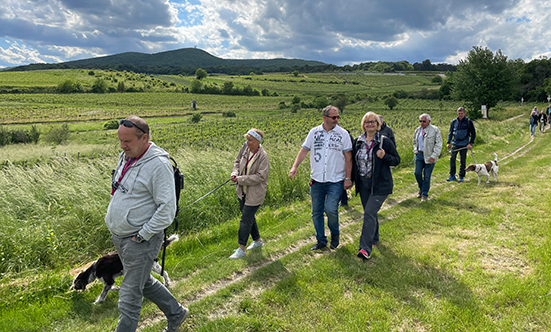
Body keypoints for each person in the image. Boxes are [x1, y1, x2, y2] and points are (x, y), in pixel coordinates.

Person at [105, 116, 189, 332]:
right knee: (143, 282)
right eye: (120, 141)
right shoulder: (127, 156)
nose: (122, 147)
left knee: (129, 296)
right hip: (121, 237)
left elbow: (167, 210)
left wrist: (142, 235)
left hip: (141, 240)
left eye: (127, 142)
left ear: (145, 138)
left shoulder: (158, 165)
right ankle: (177, 313)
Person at [289, 105, 353, 251]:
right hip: (317, 179)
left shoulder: (343, 134)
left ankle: (335, 234)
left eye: (338, 117)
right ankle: (321, 240)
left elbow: (348, 157)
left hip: (335, 180)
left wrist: (348, 178)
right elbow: (304, 150)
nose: (336, 120)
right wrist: (295, 167)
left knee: (331, 209)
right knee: (316, 211)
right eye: (333, 117)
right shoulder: (314, 132)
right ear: (325, 118)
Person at [352, 112, 400, 260]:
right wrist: (350, 180)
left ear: (378, 124)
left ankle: (365, 249)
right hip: (364, 183)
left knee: (369, 213)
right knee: (370, 212)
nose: (370, 124)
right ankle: (375, 238)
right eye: (367, 122)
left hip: (380, 185)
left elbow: (396, 160)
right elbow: (354, 163)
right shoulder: (358, 141)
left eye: (373, 122)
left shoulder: (384, 141)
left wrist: (384, 156)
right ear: (363, 125)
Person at [229, 129, 269, 259]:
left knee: (245, 219)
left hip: (255, 193)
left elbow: (260, 177)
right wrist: (235, 173)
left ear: (258, 141)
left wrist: (240, 179)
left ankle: (241, 248)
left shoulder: (263, 156)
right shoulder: (245, 148)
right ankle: (257, 240)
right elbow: (237, 162)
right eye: (247, 139)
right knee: (249, 217)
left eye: (250, 140)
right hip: (242, 191)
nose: (247, 142)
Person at [413, 113, 442, 202]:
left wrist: (434, 156)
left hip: (430, 156)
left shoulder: (435, 130)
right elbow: (414, 141)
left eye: (424, 121)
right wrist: (415, 151)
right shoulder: (418, 130)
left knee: (426, 176)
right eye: (420, 121)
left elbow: (438, 144)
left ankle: (424, 194)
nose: (422, 123)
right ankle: (421, 188)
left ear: (429, 121)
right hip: (419, 155)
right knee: (417, 173)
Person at [446, 107, 476, 182]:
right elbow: (450, 133)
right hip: (455, 143)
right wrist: (448, 142)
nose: (460, 115)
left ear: (464, 113)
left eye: (461, 113)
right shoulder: (454, 122)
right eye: (459, 113)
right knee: (452, 159)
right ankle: (452, 175)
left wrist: (470, 143)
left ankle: (461, 176)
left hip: (464, 143)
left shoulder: (468, 122)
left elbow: (473, 133)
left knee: (463, 160)